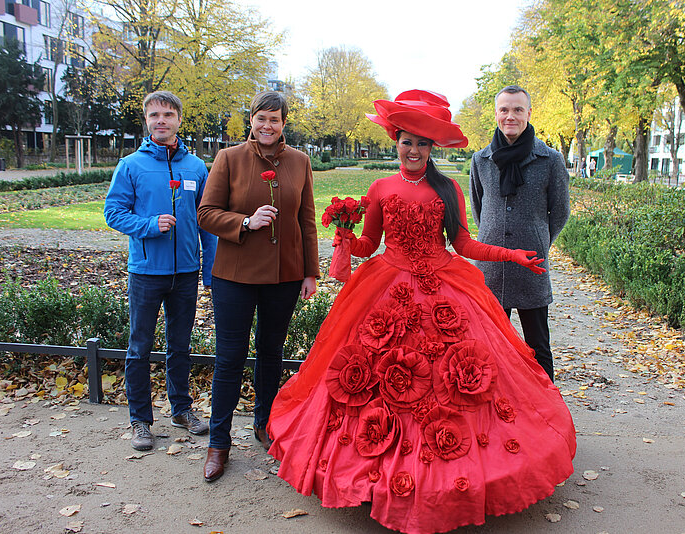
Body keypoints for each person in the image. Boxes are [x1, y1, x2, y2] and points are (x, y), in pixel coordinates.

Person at [266, 90, 576, 534]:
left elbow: (464, 245)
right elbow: (370, 244)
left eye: (422, 144)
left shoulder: (448, 188)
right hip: (387, 287)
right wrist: (347, 238)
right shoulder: (380, 188)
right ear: (396, 142)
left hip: (444, 288)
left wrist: (510, 255)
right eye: (407, 142)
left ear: (432, 148)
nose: (413, 151)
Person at [197, 91, 320, 483]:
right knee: (229, 357)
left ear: (284, 123)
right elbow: (205, 213)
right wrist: (246, 222)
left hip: (284, 276)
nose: (268, 126)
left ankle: (265, 424)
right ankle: (219, 442)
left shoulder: (299, 161)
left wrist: (310, 272)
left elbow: (307, 220)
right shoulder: (228, 158)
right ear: (251, 120)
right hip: (234, 275)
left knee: (271, 353)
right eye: (261, 118)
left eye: (275, 119)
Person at [104, 90, 216, 451]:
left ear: (179, 119)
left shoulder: (196, 167)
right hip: (146, 272)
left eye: (168, 114)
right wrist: (150, 225)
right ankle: (140, 420)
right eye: (154, 115)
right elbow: (113, 213)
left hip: (185, 272)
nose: (161, 121)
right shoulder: (131, 166)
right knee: (139, 347)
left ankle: (181, 410)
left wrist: (209, 271)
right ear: (146, 120)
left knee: (180, 346)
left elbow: (207, 222)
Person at [469, 85, 570, 381]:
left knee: (538, 345)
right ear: (496, 114)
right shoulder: (481, 160)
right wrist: (493, 239)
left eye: (517, 109)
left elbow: (560, 211)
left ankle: (546, 403)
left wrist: (538, 241)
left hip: (532, 265)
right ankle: (494, 401)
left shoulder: (550, 160)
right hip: (491, 267)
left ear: (528, 113)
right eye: (504, 109)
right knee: (489, 344)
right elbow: (478, 208)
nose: (510, 116)